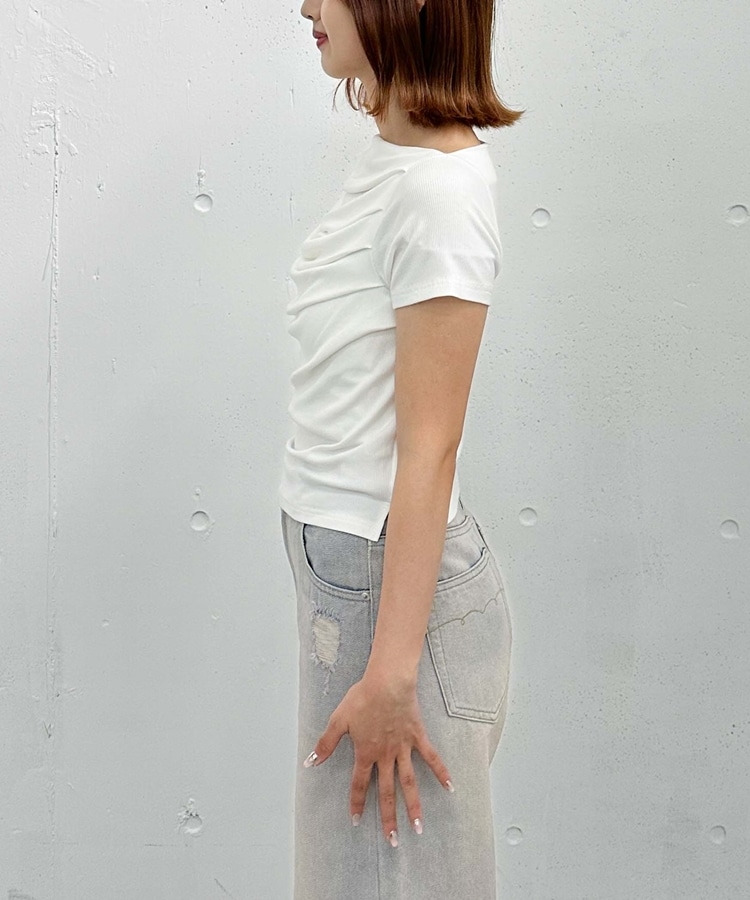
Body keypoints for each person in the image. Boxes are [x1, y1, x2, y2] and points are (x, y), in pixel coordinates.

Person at [279, 0, 525, 896]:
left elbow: (431, 447)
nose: (308, 6)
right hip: (356, 588)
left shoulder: (439, 191)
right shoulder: (394, 161)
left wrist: (390, 674)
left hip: (392, 610)